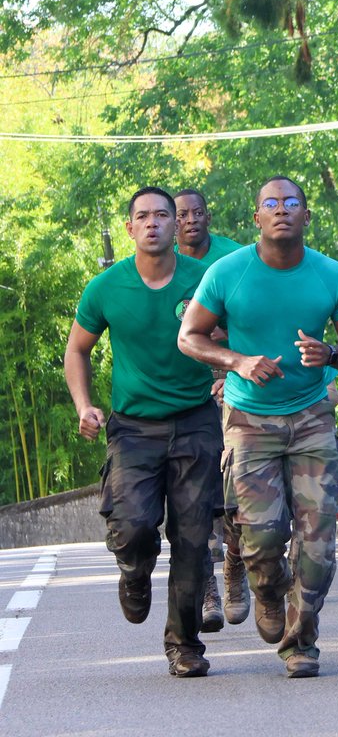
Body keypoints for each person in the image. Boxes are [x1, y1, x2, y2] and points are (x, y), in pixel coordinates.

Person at [178, 175, 338, 678]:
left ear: (306, 215)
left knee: (319, 543)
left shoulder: (332, 275)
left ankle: (300, 642)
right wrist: (237, 360)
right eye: (270, 203)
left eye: (291, 202)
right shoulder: (227, 272)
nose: (281, 209)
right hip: (249, 420)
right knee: (261, 540)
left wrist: (330, 353)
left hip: (311, 418)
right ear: (256, 218)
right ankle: (266, 589)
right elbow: (189, 337)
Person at [64, 186, 221, 677]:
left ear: (177, 225)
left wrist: (225, 371)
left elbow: (236, 339)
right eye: (142, 216)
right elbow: (77, 350)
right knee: (131, 528)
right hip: (132, 429)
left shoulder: (207, 280)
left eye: (162, 215)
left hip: (197, 422)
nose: (152, 223)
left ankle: (184, 644)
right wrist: (84, 405)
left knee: (194, 541)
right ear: (130, 228)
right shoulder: (107, 287)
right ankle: (135, 572)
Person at [173, 187, 247, 634]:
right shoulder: (161, 264)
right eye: (181, 214)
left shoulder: (233, 259)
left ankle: (235, 565)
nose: (190, 220)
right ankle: (206, 589)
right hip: (185, 400)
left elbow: (248, 323)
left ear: (207, 216)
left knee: (235, 496)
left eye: (198, 212)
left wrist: (231, 369)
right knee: (193, 503)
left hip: (233, 391)